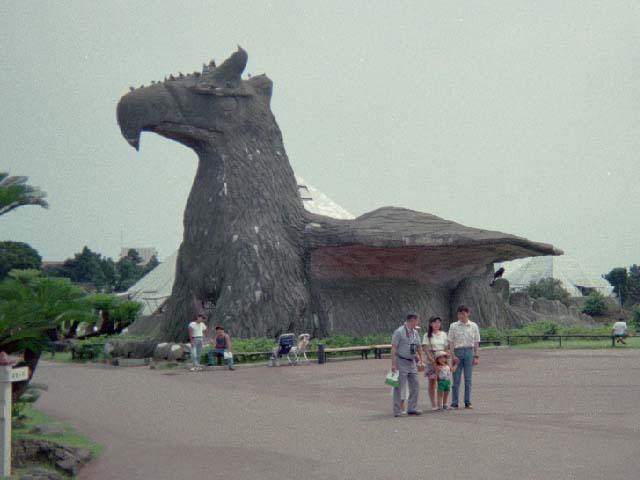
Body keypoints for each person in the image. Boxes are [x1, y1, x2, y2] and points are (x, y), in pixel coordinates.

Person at [391, 314, 424, 417]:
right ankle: (397, 410)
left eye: (417, 322)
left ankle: (412, 408)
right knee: (398, 386)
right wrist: (393, 364)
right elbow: (393, 347)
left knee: (415, 385)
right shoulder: (399, 332)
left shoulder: (415, 332)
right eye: (415, 321)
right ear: (410, 321)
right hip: (401, 360)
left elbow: (419, 347)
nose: (416, 324)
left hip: (412, 361)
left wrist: (421, 360)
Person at [448, 305, 480, 409]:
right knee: (456, 379)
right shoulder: (453, 326)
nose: (462, 315)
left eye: (463, 313)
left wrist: (476, 356)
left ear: (467, 313)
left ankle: (467, 401)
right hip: (457, 351)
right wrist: (453, 355)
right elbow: (451, 342)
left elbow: (476, 342)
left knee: (468, 379)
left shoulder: (473, 326)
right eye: (459, 313)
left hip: (469, 351)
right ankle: (454, 402)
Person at [422, 315, 448, 410]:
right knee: (432, 382)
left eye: (438, 322)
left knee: (442, 382)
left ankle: (441, 403)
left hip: (441, 359)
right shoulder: (427, 335)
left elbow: (446, 347)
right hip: (432, 359)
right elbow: (425, 348)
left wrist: (444, 359)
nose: (437, 324)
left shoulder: (443, 334)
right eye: (435, 322)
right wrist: (431, 360)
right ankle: (433, 403)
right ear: (430, 324)